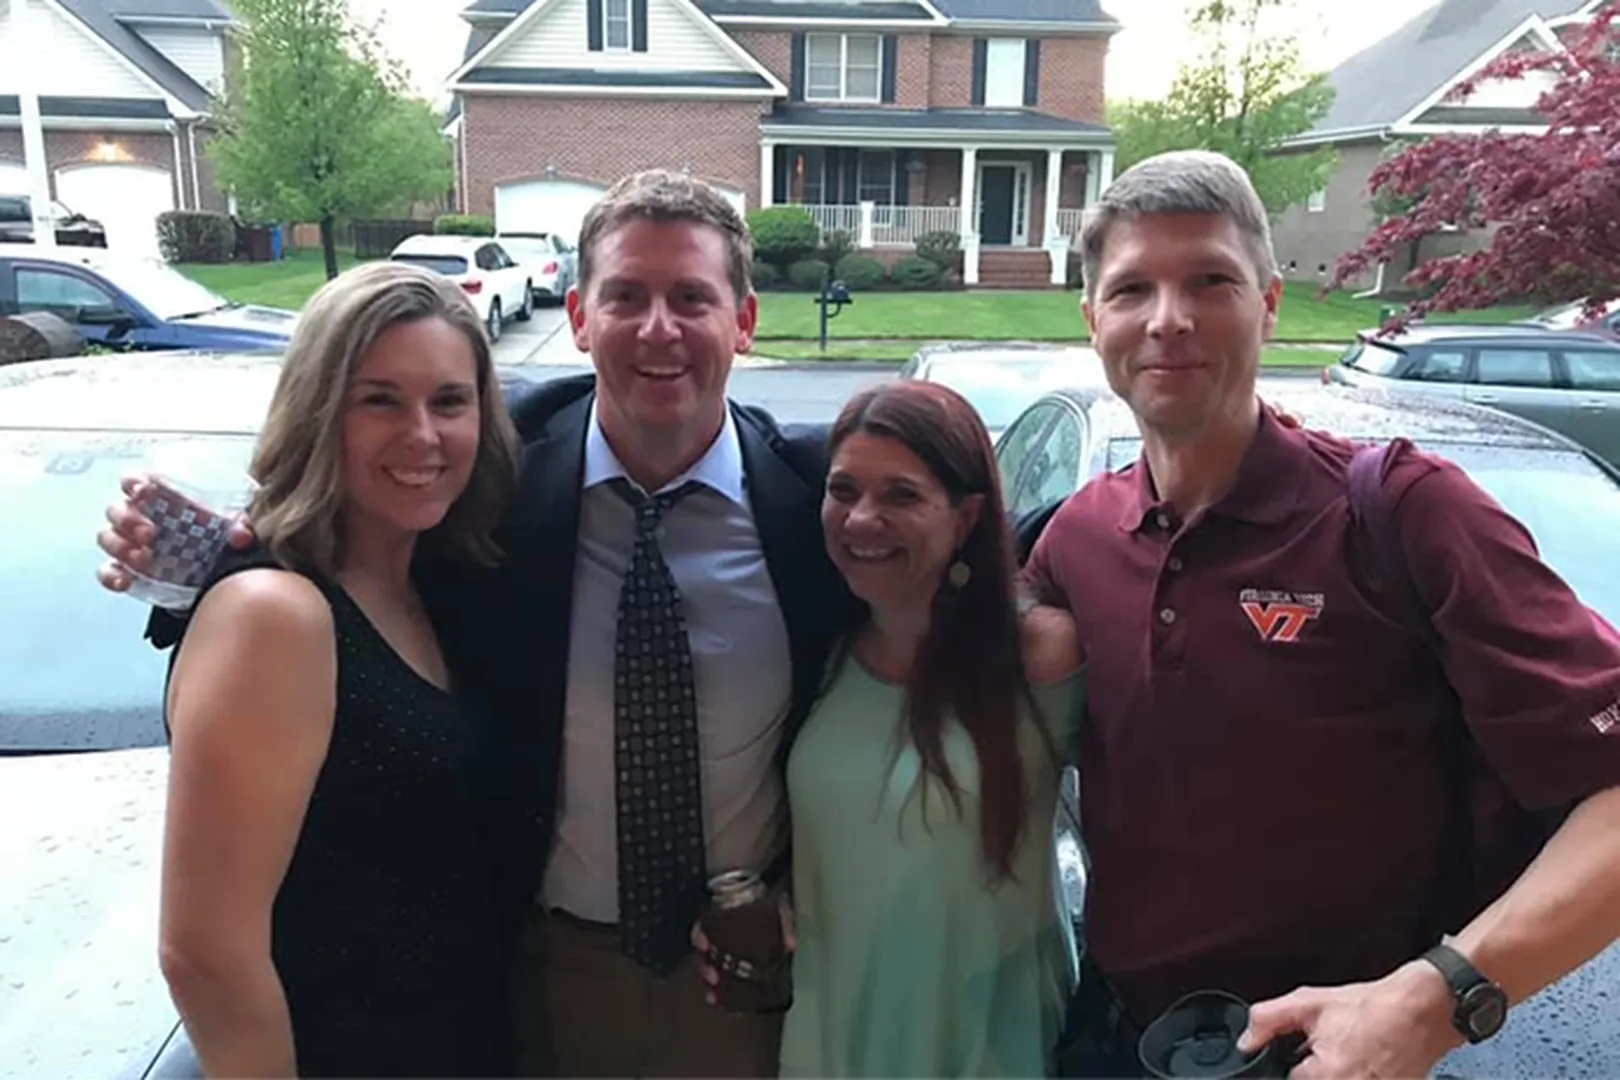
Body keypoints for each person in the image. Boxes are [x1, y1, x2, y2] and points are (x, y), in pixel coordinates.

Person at [97, 170, 853, 1080]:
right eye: (626, 297)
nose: (660, 329)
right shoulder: (496, 487)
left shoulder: (818, 506)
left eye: (692, 297)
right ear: (578, 316)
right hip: (532, 979)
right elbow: (332, 551)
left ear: (744, 320)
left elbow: (931, 615)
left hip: (737, 983)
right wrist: (214, 568)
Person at [1024, 149, 1620, 1079]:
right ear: (1093, 318)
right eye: (1132, 288)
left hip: (1330, 1057)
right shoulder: (1077, 538)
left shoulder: (1406, 512)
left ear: (1269, 302)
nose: (1168, 318)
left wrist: (1437, 998)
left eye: (1210, 280)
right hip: (1116, 1039)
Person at [153, 261, 523, 1080]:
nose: (423, 435)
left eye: (449, 401)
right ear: (319, 411)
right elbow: (205, 954)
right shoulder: (274, 615)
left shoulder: (429, 584)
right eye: (378, 399)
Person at [696, 379, 1083, 1079]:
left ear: (966, 519)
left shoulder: (1039, 656)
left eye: (901, 495)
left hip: (982, 1041)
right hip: (832, 1030)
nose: (861, 519)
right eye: (842, 491)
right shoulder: (822, 653)